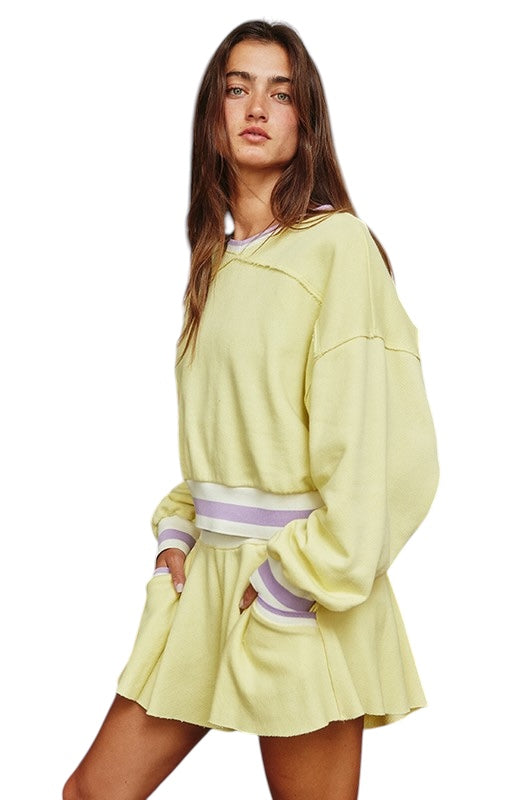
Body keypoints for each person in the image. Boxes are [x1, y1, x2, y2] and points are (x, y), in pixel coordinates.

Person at [63, 19, 439, 800]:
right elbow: (234, 436)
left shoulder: (336, 247)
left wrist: (293, 581)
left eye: (281, 93)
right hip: (208, 576)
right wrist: (178, 532)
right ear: (213, 113)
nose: (257, 107)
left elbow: (387, 454)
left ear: (307, 121)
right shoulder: (215, 265)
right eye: (237, 89)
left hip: (298, 588)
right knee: (94, 792)